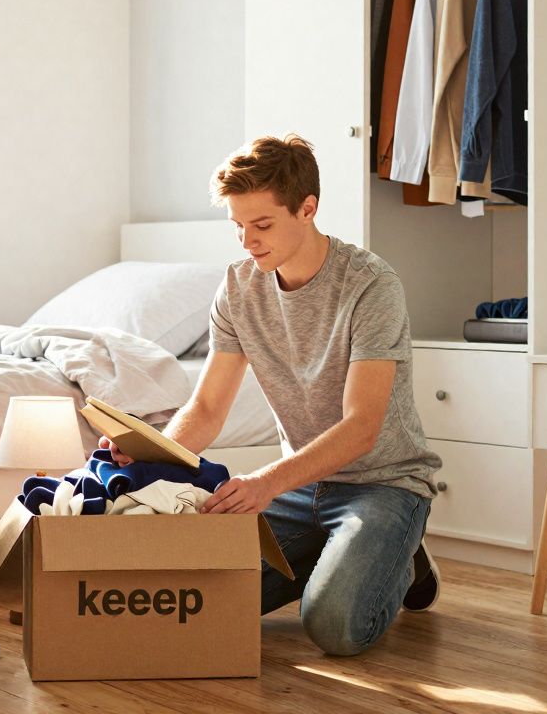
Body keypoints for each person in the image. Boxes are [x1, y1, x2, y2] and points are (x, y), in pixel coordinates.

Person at [100, 134, 442, 656]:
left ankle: (399, 554)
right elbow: (208, 407)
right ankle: (349, 554)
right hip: (300, 491)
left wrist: (263, 482)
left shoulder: (371, 286)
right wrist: (156, 453)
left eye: (261, 226)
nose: (247, 242)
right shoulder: (238, 289)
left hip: (382, 484)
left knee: (334, 628)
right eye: (237, 227)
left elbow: (363, 425)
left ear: (308, 209)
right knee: (192, 604)